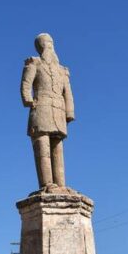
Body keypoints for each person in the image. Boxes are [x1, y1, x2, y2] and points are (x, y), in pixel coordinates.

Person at [20, 33, 75, 190]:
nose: (48, 45)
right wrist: (28, 100)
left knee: (57, 145)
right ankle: (47, 183)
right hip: (41, 108)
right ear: (40, 46)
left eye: (50, 42)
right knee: (42, 145)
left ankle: (61, 184)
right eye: (45, 43)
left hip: (58, 109)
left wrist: (69, 112)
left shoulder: (62, 70)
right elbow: (26, 84)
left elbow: (68, 93)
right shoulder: (34, 64)